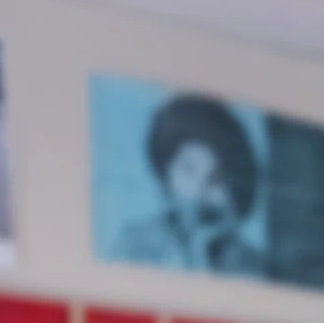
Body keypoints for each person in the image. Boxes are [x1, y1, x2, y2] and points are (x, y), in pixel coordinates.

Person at [112, 93, 265, 275]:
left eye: (215, 178)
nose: (200, 190)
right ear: (167, 174)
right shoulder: (133, 245)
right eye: (188, 171)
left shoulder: (251, 264)